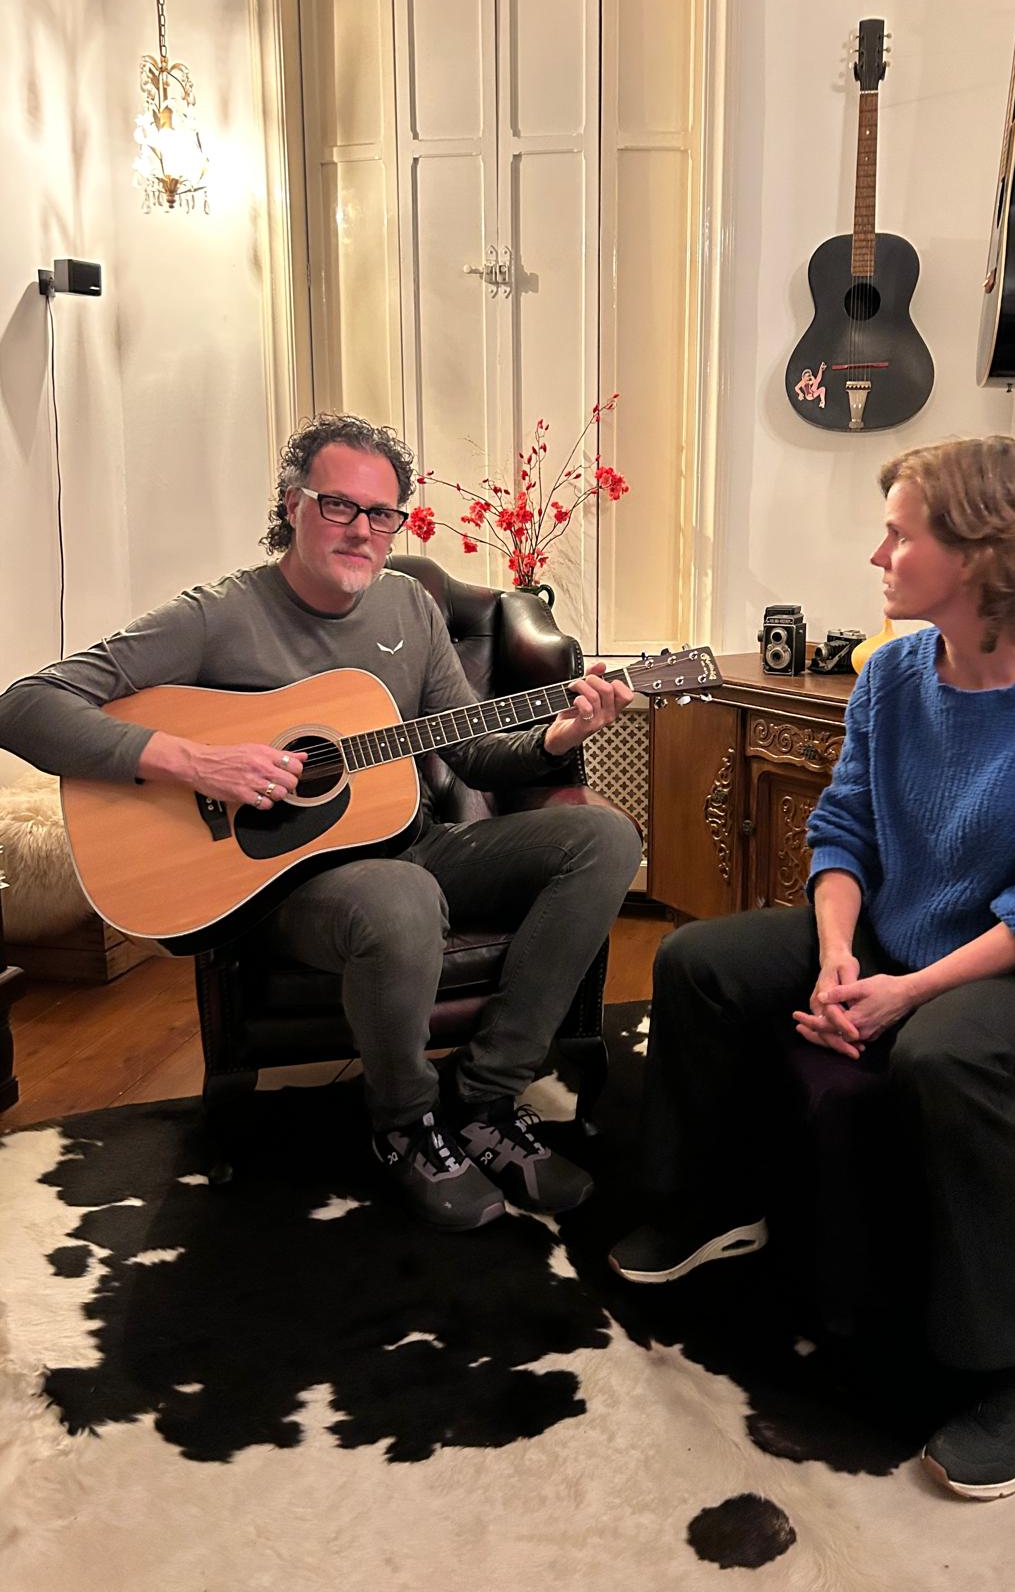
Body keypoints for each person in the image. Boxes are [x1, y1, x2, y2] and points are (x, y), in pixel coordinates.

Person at [609, 435, 1015, 1501]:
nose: (878, 555)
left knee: (942, 1057)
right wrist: (834, 957)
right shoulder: (895, 671)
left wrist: (904, 993)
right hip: (899, 932)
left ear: (981, 551)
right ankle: (712, 1199)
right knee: (697, 961)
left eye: (900, 535)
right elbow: (845, 828)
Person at [0, 413, 641, 1231]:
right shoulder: (217, 615)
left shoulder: (409, 609)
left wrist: (560, 735)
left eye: (382, 514)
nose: (362, 530)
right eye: (339, 506)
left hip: (407, 844)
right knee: (397, 896)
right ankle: (404, 1124)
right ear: (293, 506)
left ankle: (483, 1098)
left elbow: (477, 755)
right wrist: (195, 762)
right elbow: (24, 706)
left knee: (605, 837)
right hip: (286, 890)